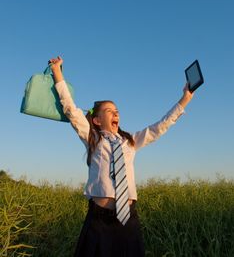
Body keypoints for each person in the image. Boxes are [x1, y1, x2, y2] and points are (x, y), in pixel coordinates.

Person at [49, 56, 194, 257]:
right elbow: (71, 109)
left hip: (128, 219)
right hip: (99, 220)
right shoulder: (93, 138)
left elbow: (159, 127)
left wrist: (185, 99)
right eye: (109, 111)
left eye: (117, 111)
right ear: (97, 120)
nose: (115, 114)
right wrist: (57, 71)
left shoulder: (131, 142)